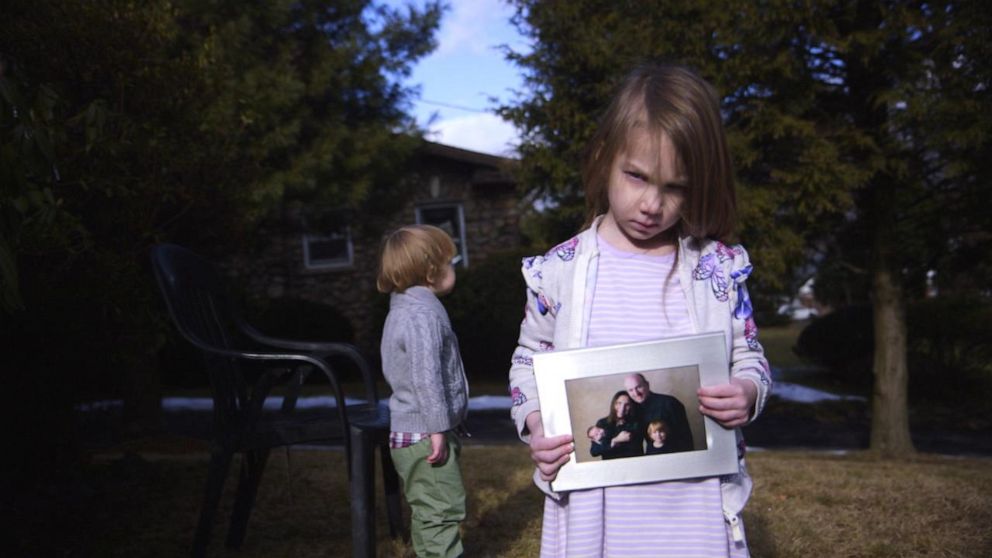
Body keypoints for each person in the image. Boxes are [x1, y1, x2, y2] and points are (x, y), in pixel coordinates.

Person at [508, 62, 772, 557]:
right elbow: (528, 359)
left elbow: (749, 351)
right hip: (594, 509)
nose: (652, 203)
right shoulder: (558, 271)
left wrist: (746, 389)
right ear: (605, 157)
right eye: (636, 176)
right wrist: (538, 423)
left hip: (692, 507)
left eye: (675, 187)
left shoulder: (715, 270)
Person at [378, 224, 470, 558]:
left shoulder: (403, 307)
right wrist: (436, 427)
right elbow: (426, 377)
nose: (454, 268)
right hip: (423, 433)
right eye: (451, 261)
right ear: (431, 271)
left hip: (414, 431)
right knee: (441, 509)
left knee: (430, 507)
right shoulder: (421, 316)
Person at [624, 372, 694, 453]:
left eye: (638, 387)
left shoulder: (670, 403)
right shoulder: (632, 409)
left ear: (647, 385)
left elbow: (686, 439)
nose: (636, 393)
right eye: (631, 390)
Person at [589, 391, 643, 460]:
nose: (622, 408)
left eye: (627, 405)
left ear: (631, 406)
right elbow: (594, 452)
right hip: (611, 467)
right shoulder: (602, 423)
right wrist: (615, 440)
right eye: (619, 403)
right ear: (614, 404)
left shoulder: (637, 423)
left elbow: (636, 450)